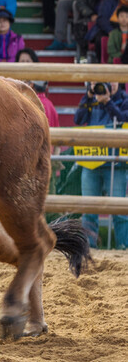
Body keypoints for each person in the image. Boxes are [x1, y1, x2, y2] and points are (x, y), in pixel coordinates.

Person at [76, 81, 128, 248]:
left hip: (115, 162)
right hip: (91, 162)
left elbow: (123, 120)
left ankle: (123, 247)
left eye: (111, 80)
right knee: (89, 209)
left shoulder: (125, 99)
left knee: (119, 210)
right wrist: (88, 96)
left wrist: (107, 102)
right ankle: (89, 248)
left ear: (118, 82)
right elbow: (78, 119)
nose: (107, 84)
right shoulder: (91, 98)